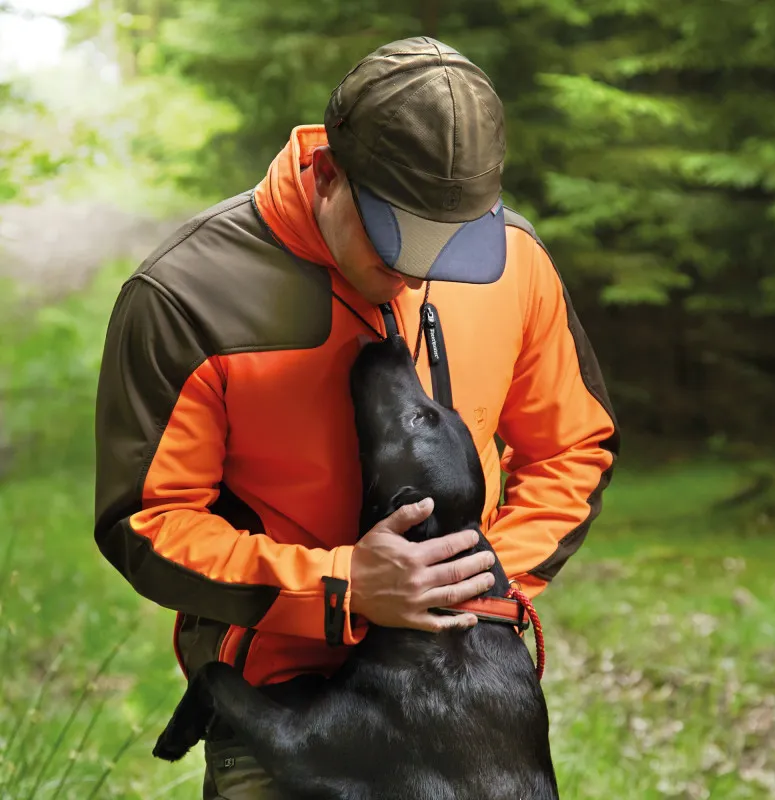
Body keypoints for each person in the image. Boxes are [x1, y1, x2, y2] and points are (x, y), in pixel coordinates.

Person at [94, 36, 619, 798]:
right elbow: (149, 521)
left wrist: (473, 585)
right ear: (331, 176)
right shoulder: (187, 298)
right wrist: (343, 587)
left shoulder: (515, 261)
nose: (422, 269)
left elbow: (573, 449)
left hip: (462, 718)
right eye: (396, 239)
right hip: (281, 710)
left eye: (453, 241)